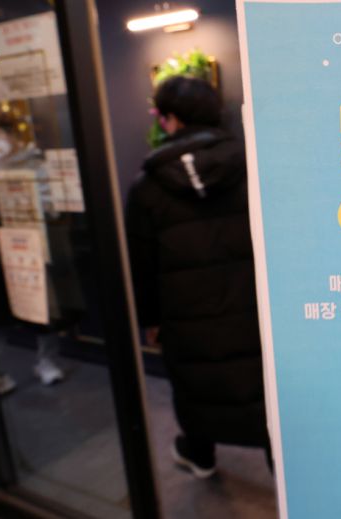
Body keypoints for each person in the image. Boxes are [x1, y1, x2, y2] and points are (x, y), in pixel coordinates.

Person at [126, 76, 271, 478]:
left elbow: (141, 264)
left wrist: (150, 319)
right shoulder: (253, 165)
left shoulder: (147, 187)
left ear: (171, 119)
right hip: (253, 305)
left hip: (186, 315)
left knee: (195, 382)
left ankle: (200, 454)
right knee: (264, 383)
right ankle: (280, 466)